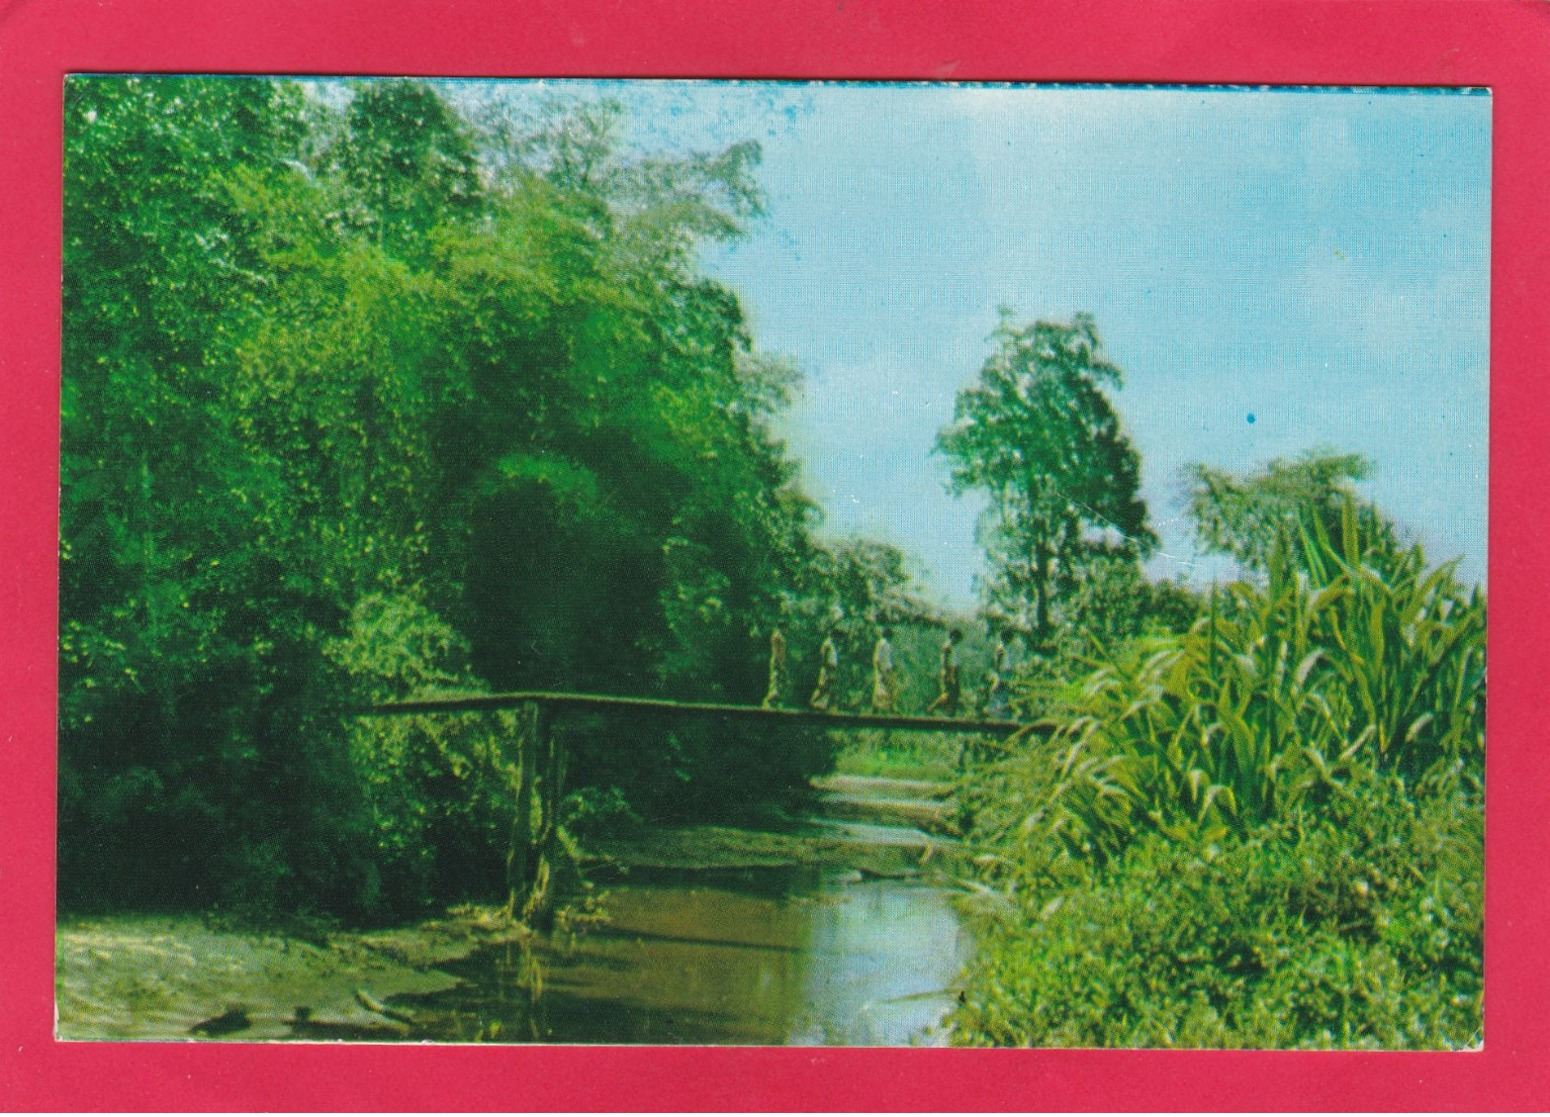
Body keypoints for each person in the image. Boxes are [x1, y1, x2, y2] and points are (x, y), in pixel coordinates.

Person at [927, 628, 963, 716]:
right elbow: (945, 662)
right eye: (957, 638)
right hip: (949, 672)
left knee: (955, 694)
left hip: (953, 672)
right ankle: (931, 708)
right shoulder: (948, 646)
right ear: (953, 637)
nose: (958, 640)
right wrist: (949, 675)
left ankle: (950, 714)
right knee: (948, 694)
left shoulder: (954, 646)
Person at [984, 625, 1012, 718]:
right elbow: (997, 663)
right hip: (1002, 673)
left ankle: (1001, 713)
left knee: (1004, 694)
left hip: (1006, 672)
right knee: (998, 692)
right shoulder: (1000, 648)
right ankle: (994, 712)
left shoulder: (1006, 647)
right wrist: (999, 675)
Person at [810, 625, 840, 711]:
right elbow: (824, 657)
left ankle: (823, 705)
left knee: (829, 688)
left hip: (832, 668)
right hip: (827, 668)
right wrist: (826, 667)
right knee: (822, 686)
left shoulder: (833, 644)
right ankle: (813, 702)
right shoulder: (827, 644)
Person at [870, 626, 896, 713]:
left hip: (886, 669)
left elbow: (887, 659)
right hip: (883, 669)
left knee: (887, 688)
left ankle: (889, 707)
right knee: (882, 688)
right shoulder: (882, 643)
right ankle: (880, 708)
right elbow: (876, 658)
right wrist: (880, 670)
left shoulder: (887, 644)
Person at [761, 624, 788, 709]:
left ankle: (775, 703)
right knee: (775, 681)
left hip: (780, 661)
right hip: (777, 661)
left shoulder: (781, 637)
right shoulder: (777, 636)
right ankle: (768, 702)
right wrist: (780, 664)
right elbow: (776, 651)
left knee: (779, 683)